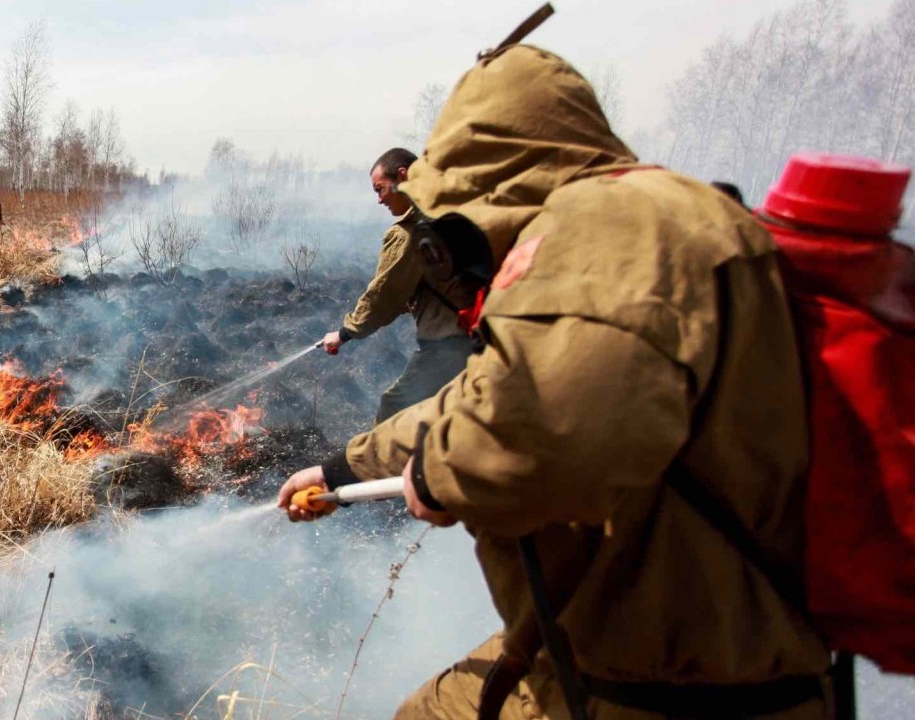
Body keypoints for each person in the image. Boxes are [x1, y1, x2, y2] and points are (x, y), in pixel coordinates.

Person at [279, 44, 831, 720]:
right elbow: (490, 398)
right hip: (642, 640)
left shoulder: (610, 232)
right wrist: (341, 469)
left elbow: (539, 439)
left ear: (501, 173)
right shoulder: (664, 217)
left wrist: (440, 476)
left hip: (671, 684)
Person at [320, 147, 480, 424]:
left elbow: (383, 295)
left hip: (450, 342)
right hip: (484, 335)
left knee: (394, 411)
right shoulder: (450, 210)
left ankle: (385, 466)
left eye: (380, 189)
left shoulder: (410, 232)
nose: (379, 200)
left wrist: (344, 333)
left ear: (403, 176)